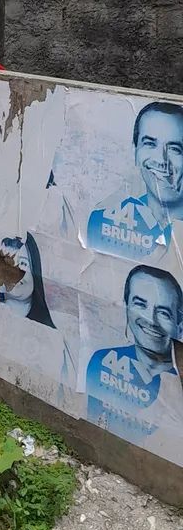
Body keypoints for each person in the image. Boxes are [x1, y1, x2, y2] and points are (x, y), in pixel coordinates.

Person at [85, 265, 183, 442]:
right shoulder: (101, 361)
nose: (150, 320)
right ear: (126, 307)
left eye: (163, 313)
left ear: (179, 325)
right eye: (140, 305)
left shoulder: (177, 382)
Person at [87, 102, 183, 260]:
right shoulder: (100, 223)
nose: (161, 160)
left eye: (175, 149)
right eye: (150, 144)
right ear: (135, 151)